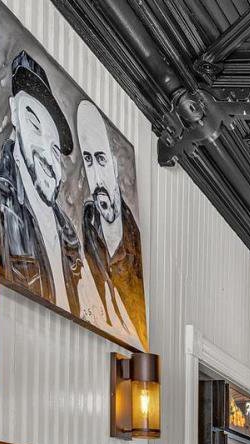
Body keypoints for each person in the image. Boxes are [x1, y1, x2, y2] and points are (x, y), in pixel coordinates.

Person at [0, 50, 86, 314]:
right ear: (15, 113)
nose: (47, 154)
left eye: (55, 150)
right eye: (35, 125)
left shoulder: (68, 232)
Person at [76, 100, 147, 348]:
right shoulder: (85, 226)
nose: (96, 177)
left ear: (115, 166)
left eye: (101, 159)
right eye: (88, 160)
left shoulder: (134, 245)